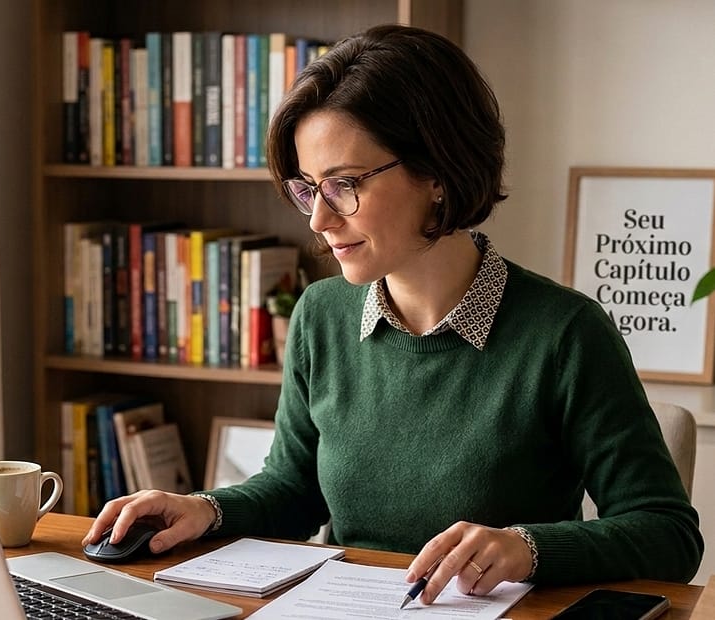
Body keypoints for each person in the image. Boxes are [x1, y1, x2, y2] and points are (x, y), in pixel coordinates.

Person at [83, 24, 703, 604]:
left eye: (345, 183)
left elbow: (668, 535)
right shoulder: (321, 315)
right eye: (307, 188)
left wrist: (527, 548)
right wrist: (205, 510)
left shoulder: (565, 334)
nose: (319, 221)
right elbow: (293, 491)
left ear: (436, 171)